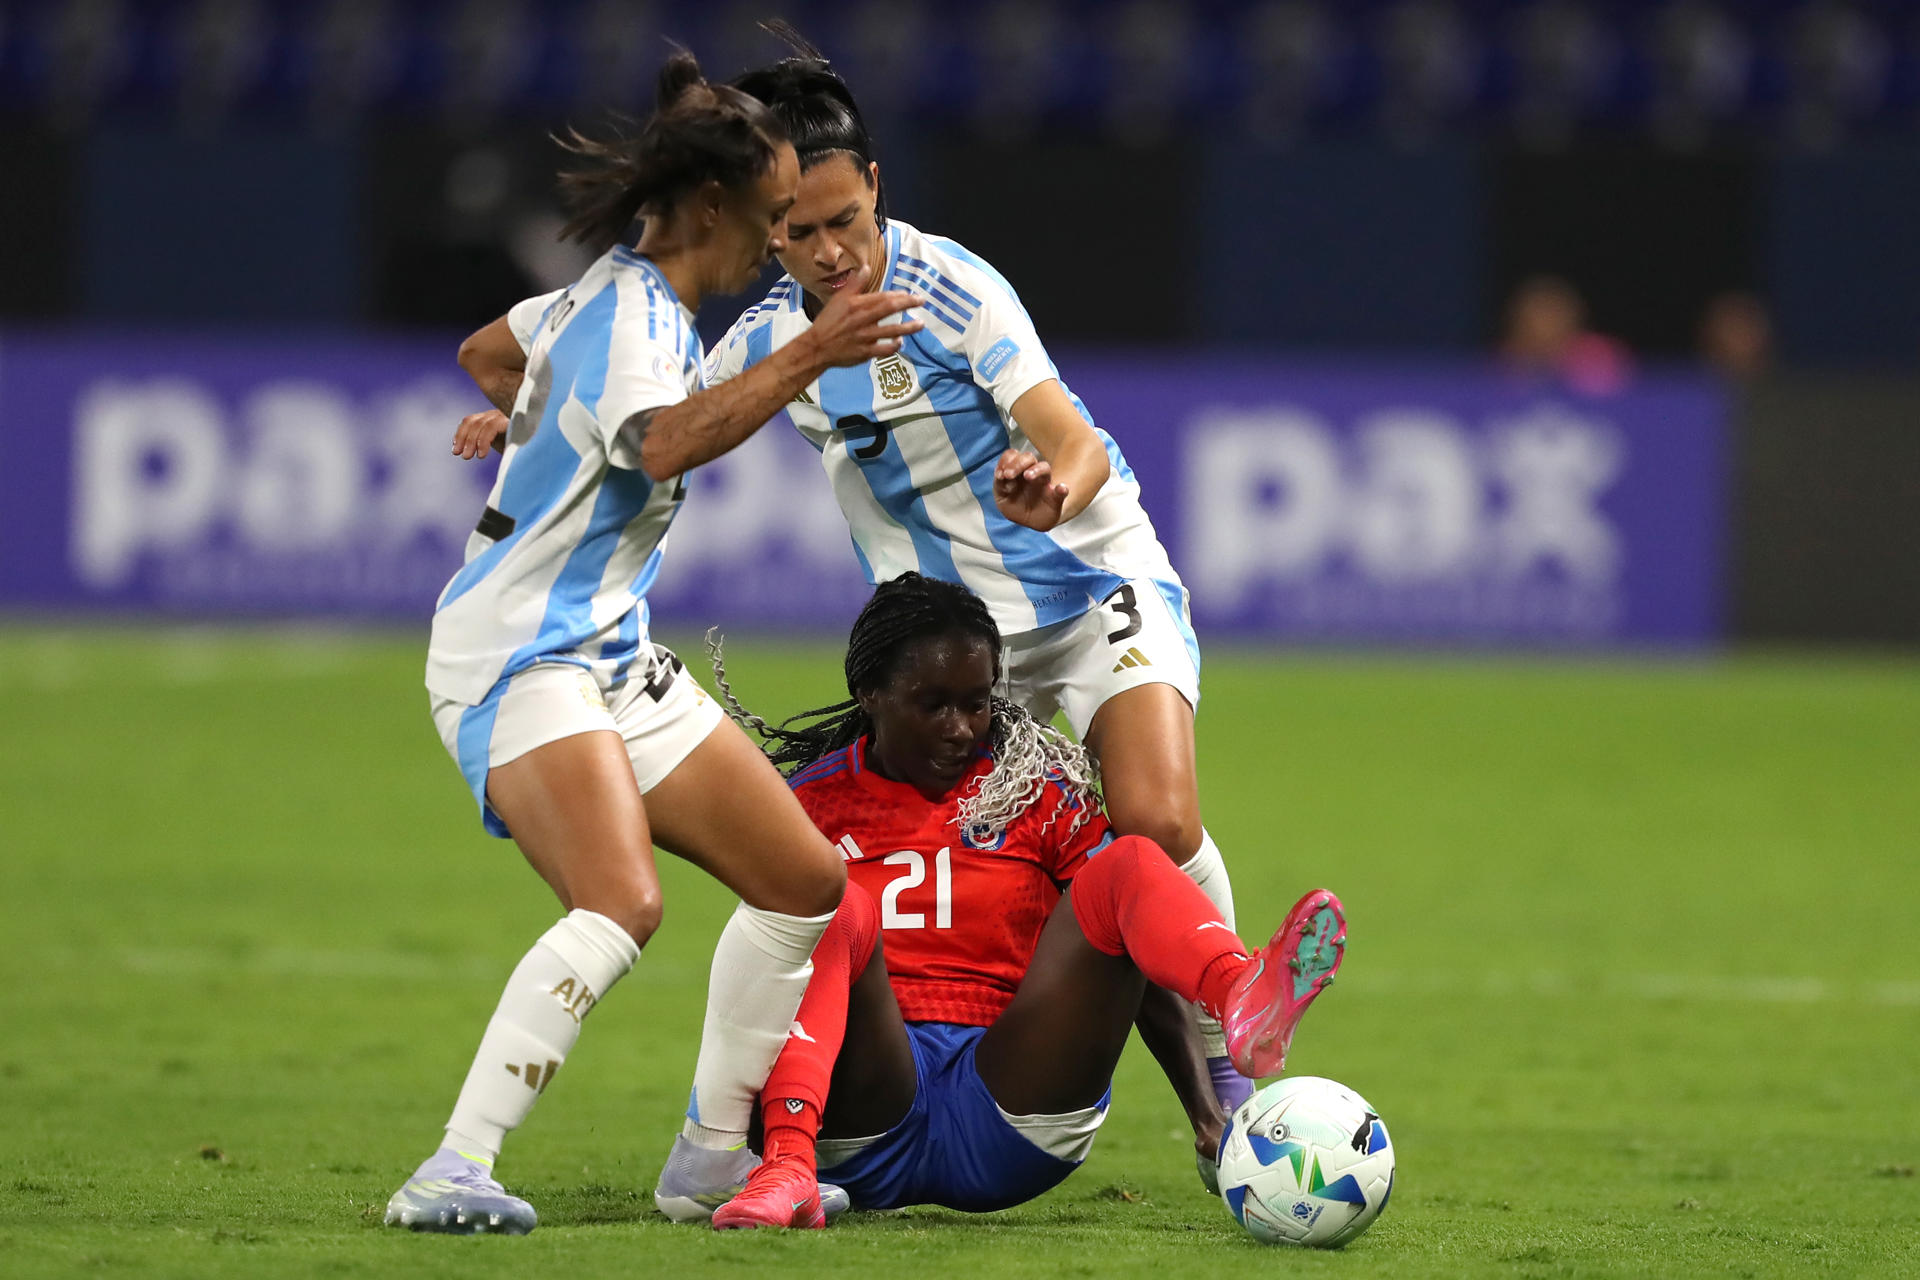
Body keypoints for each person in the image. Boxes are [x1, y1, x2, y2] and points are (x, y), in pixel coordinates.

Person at [385, 51, 922, 1235]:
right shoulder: (633, 317)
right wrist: (807, 354)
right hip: (522, 657)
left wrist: (529, 420)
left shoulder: (619, 300)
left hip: (610, 656)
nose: (783, 239)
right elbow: (665, 443)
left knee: (805, 882)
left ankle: (710, 1156)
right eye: (776, 215)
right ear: (717, 208)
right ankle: (453, 1164)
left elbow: (491, 350)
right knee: (620, 901)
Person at [706, 30, 1256, 1146]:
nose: (828, 253)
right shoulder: (772, 342)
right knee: (1043, 877)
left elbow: (1072, 435)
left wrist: (1055, 485)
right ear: (767, 228)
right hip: (966, 661)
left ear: (876, 188)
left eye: (843, 222)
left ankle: (1232, 1066)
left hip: (1096, 580)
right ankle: (840, 1113)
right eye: (798, 233)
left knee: (1151, 818)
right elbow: (661, 426)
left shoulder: (953, 289)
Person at [693, 574, 1347, 1229]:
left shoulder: (1034, 794)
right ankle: (786, 1170)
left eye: (976, 704)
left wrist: (1206, 1113)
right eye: (934, 705)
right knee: (830, 905)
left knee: (1128, 862)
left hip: (1013, 1103)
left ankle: (1240, 991)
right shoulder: (803, 806)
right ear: (871, 694)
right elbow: (755, 972)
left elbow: (1130, 951)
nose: (960, 730)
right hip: (856, 1111)